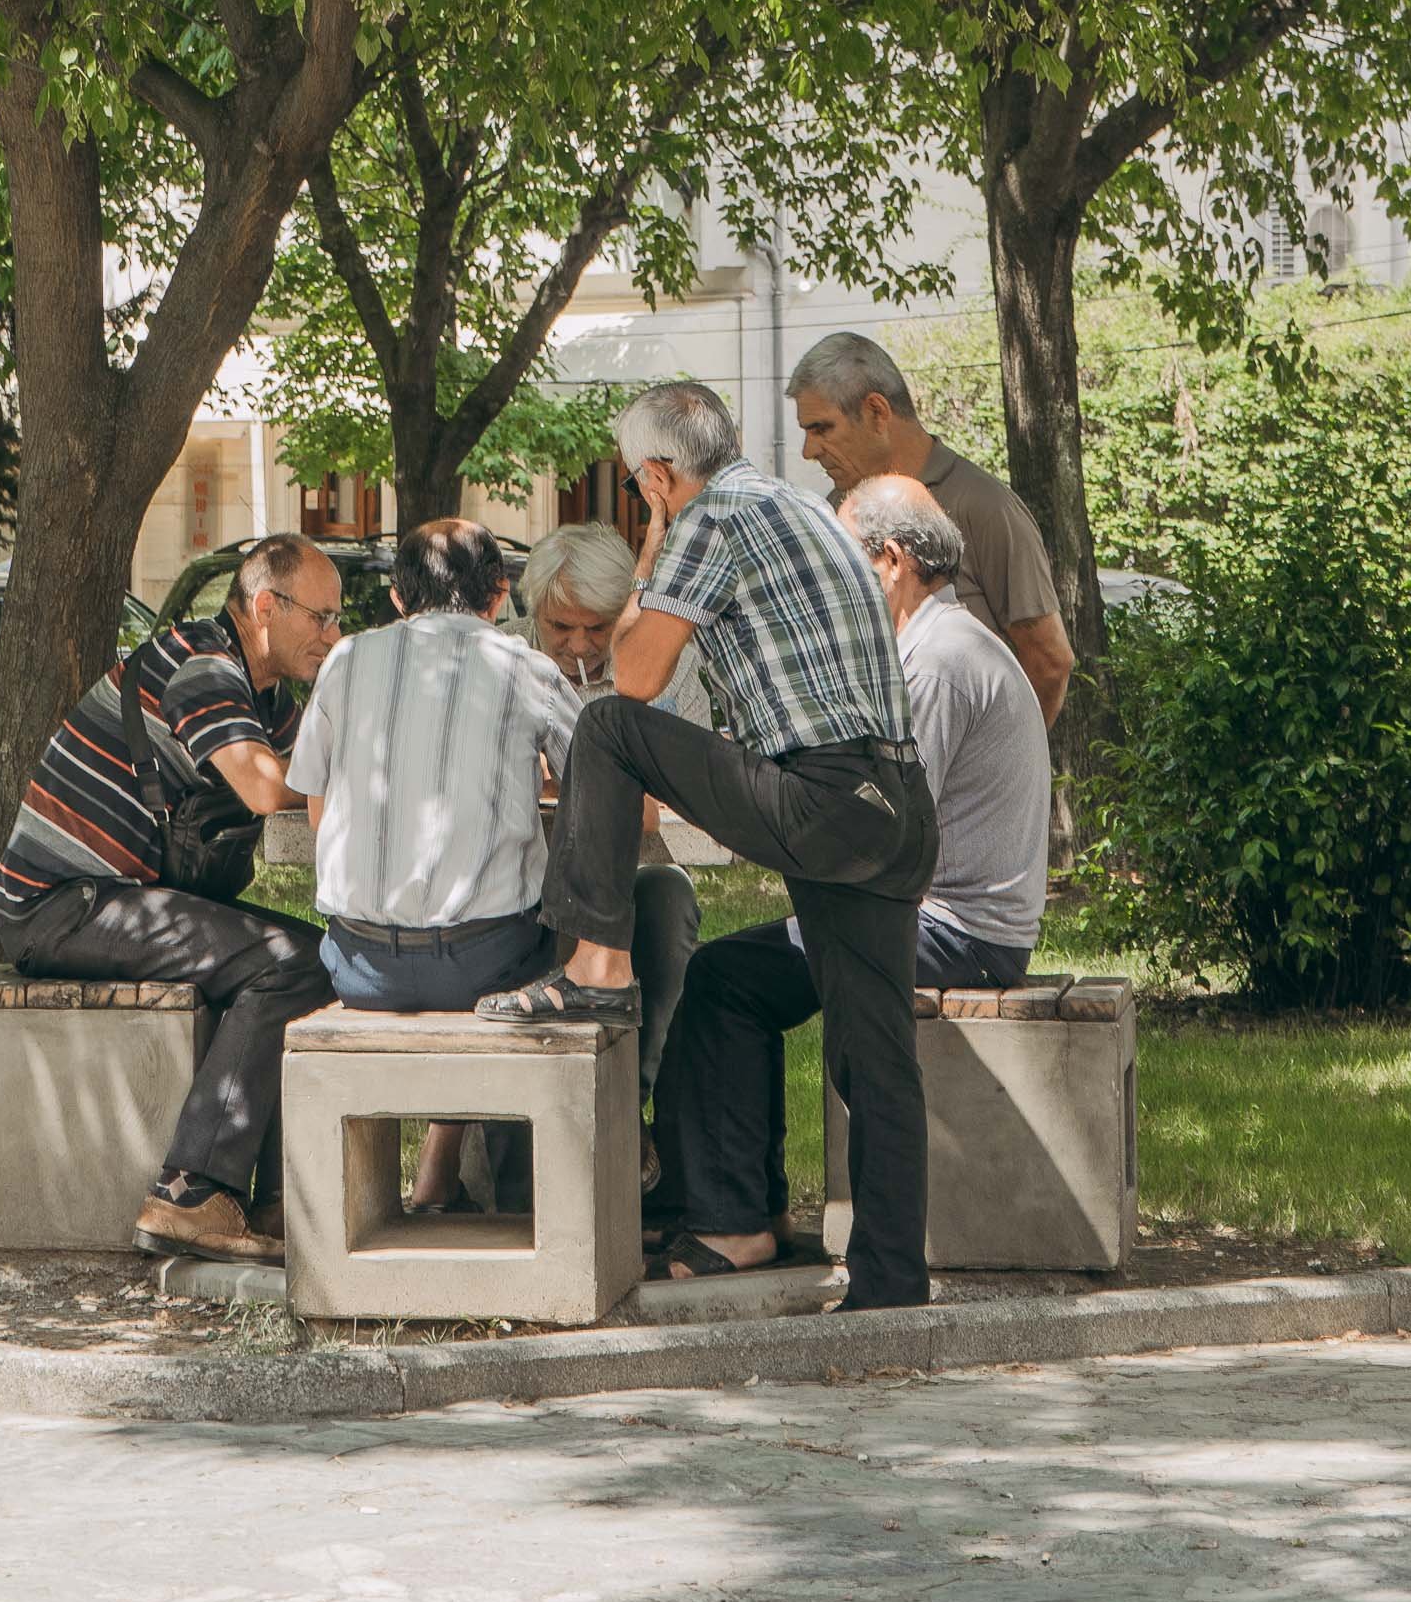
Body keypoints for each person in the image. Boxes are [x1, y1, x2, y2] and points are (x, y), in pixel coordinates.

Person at [477, 381, 938, 1310]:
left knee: (605, 727)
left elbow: (636, 676)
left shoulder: (711, 517)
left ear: (656, 474)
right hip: (894, 805)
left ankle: (596, 965)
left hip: (820, 794)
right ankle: (892, 1284)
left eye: (636, 481)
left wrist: (652, 549)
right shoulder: (797, 506)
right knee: (873, 1057)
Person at [651, 475, 1051, 1251]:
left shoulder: (934, 663)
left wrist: (757, 806)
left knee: (723, 980)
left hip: (958, 933)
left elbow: (878, 833)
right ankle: (752, 1213)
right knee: (736, 973)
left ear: (890, 562)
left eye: (839, 558)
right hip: (946, 916)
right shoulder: (943, 643)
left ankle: (737, 1225)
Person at [0, 533, 342, 1265]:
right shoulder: (204, 666)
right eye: (323, 618)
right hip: (62, 904)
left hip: (117, 897)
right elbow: (267, 788)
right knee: (293, 964)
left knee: (317, 959)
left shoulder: (268, 692)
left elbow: (312, 769)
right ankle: (190, 1191)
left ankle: (269, 1204)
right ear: (267, 607)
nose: (334, 635)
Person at [285, 517, 576, 1015]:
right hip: (491, 964)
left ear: (398, 597)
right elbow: (602, 788)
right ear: (500, 593)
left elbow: (319, 814)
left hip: (359, 967)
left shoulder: (345, 659)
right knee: (594, 934)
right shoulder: (529, 670)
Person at [511, 521, 706, 1117]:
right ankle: (522, 1127)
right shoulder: (508, 655)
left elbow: (689, 779)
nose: (577, 645)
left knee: (668, 895)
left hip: (622, 881)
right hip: (517, 879)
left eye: (597, 626)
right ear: (533, 613)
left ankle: (629, 1103)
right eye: (560, 627)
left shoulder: (666, 658)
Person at [785, 331, 1075, 727]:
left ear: (876, 412)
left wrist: (997, 766)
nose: (808, 450)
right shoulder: (839, 510)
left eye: (822, 428)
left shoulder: (984, 506)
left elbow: (1049, 660)